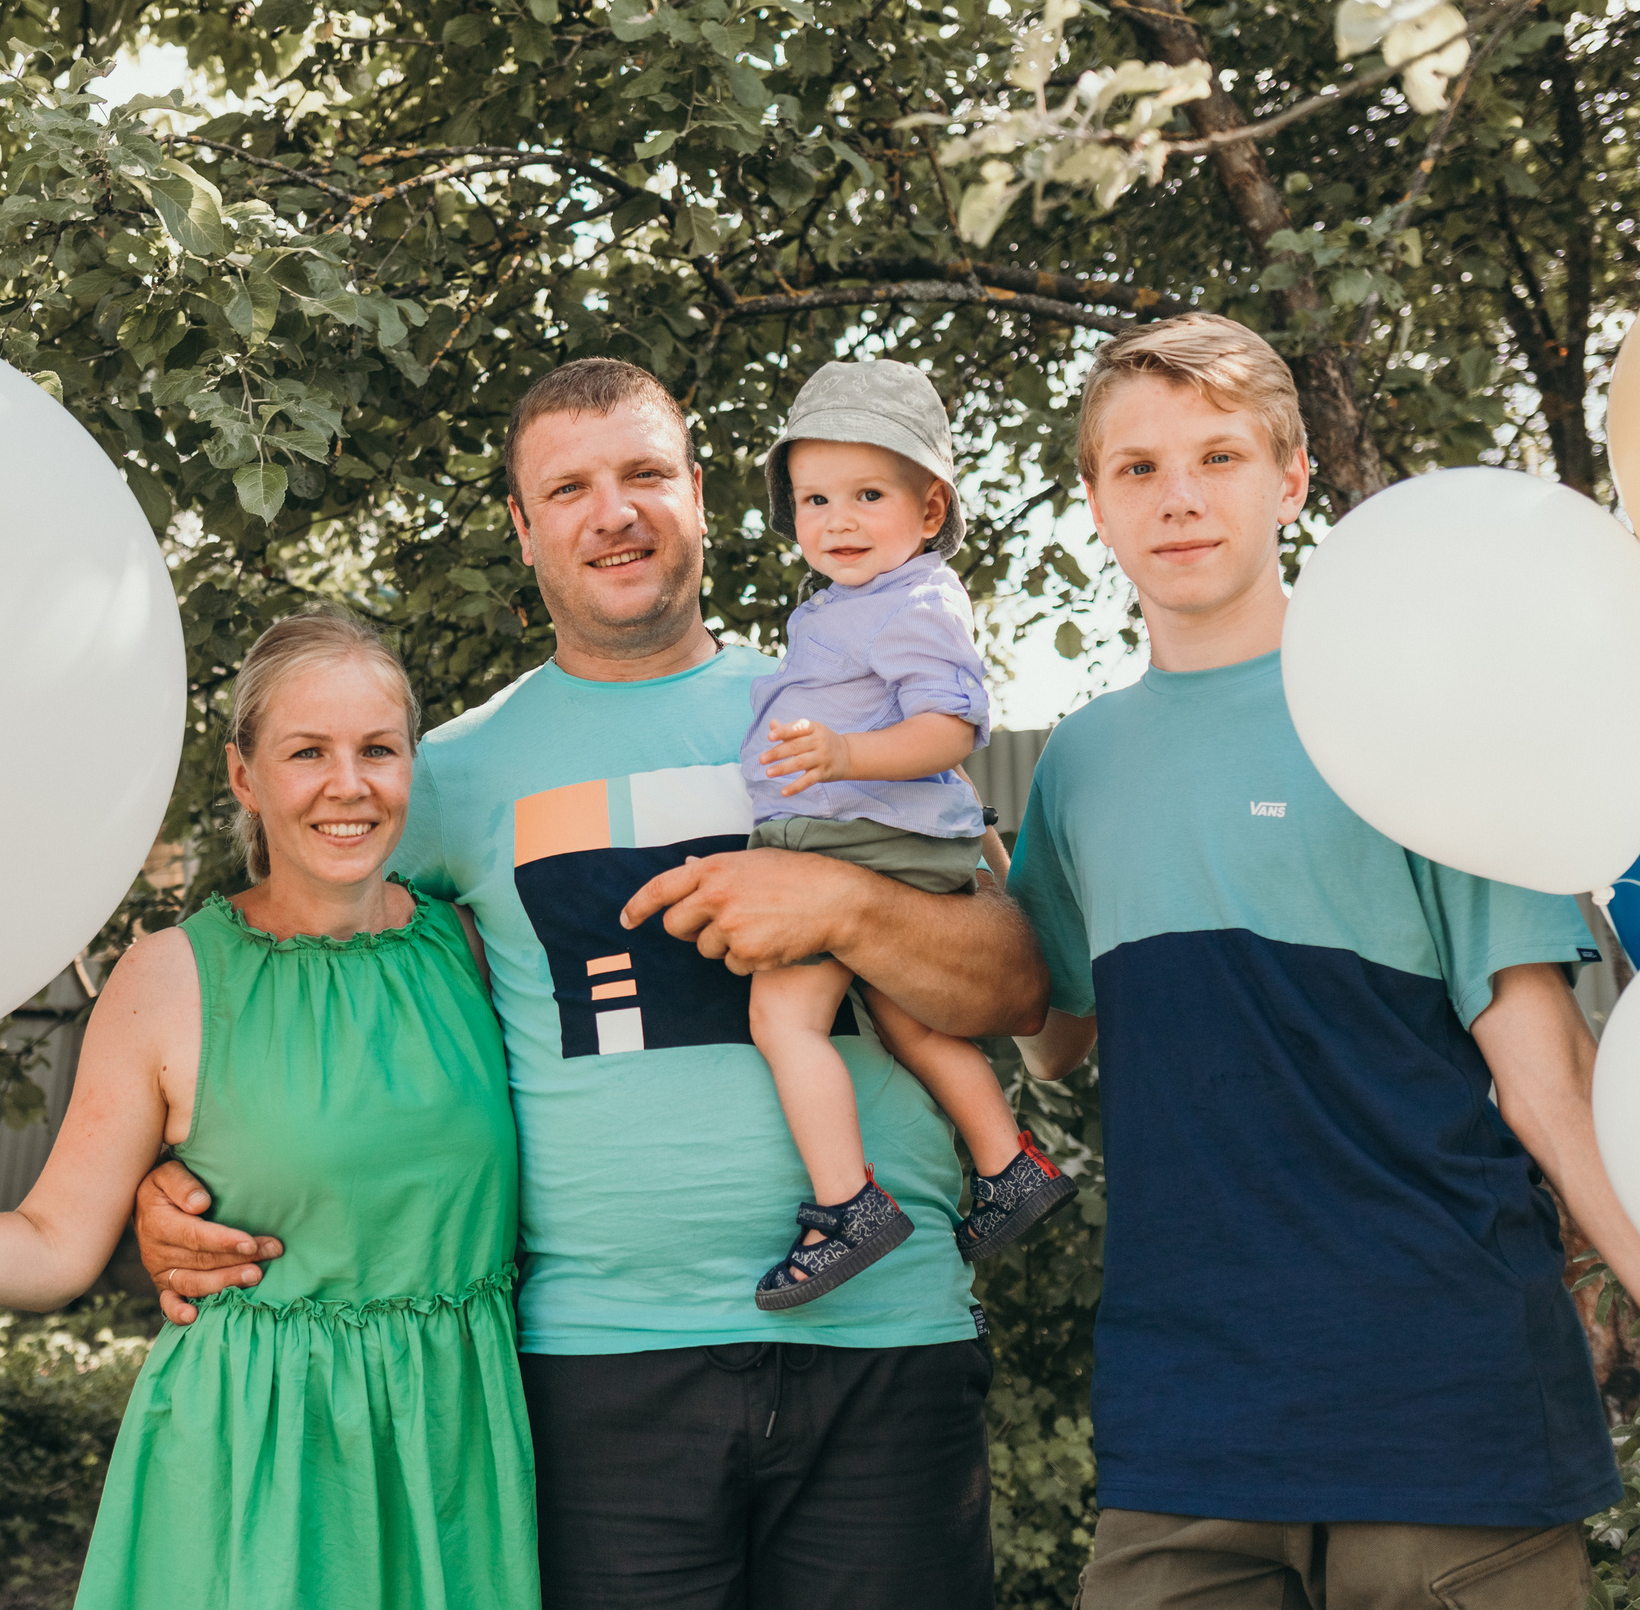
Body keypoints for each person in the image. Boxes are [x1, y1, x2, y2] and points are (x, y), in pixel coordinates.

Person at [136, 358, 1052, 1609]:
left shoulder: (842, 712)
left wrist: (840, 902)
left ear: (700, 499)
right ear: (521, 528)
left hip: (888, 1340)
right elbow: (305, 993)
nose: (609, 512)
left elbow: (1015, 985)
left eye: (642, 475)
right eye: (566, 487)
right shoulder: (444, 779)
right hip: (599, 1367)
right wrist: (180, 1181)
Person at [997, 312, 1640, 1605]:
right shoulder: (1079, 771)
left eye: (1218, 455)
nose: (1180, 497)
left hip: (1448, 1420)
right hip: (1186, 1439)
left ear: (1291, 476)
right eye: (1138, 466)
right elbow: (1048, 1032)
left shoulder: (1415, 709)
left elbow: (1555, 1094)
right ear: (1093, 497)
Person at [0, 607, 535, 1610]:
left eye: (377, 750)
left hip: (454, 1452)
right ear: (244, 775)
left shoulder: (474, 949)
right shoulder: (171, 979)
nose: (347, 786)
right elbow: (52, 1247)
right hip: (254, 1472)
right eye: (306, 751)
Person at [740, 359, 1076, 1310]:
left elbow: (951, 728)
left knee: (784, 1017)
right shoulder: (854, 604)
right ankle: (1007, 1163)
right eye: (814, 498)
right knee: (908, 1012)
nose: (837, 520)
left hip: (855, 838)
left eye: (867, 494)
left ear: (930, 511)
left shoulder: (913, 601)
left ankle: (849, 1205)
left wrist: (846, 754)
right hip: (876, 834)